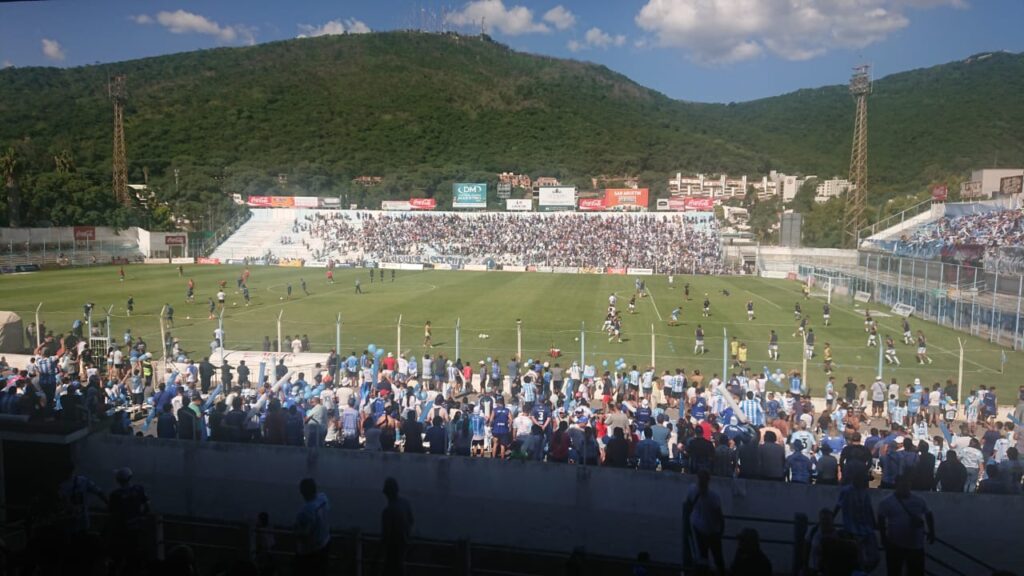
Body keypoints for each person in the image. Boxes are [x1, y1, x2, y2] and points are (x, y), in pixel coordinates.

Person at [877, 475, 935, 576]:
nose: (905, 487)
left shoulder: (919, 500)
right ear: (896, 485)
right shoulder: (887, 502)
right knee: (895, 571)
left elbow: (928, 514)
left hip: (914, 545)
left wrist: (932, 531)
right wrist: (883, 537)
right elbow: (881, 519)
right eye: (902, 485)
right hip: (896, 544)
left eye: (906, 484)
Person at [685, 469, 726, 576]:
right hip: (711, 531)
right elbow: (720, 516)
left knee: (704, 557)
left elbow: (688, 505)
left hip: (700, 529)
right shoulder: (714, 497)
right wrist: (720, 532)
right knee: (717, 557)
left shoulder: (692, 491)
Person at [294, 478, 331, 575]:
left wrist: (295, 530)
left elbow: (304, 535)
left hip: (310, 553)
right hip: (325, 544)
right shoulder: (324, 498)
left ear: (303, 492)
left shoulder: (306, 510)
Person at [381, 477, 414, 576]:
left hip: (392, 551)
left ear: (386, 492)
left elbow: (386, 536)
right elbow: (411, 520)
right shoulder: (405, 503)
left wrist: (377, 555)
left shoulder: (388, 511)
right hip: (404, 545)